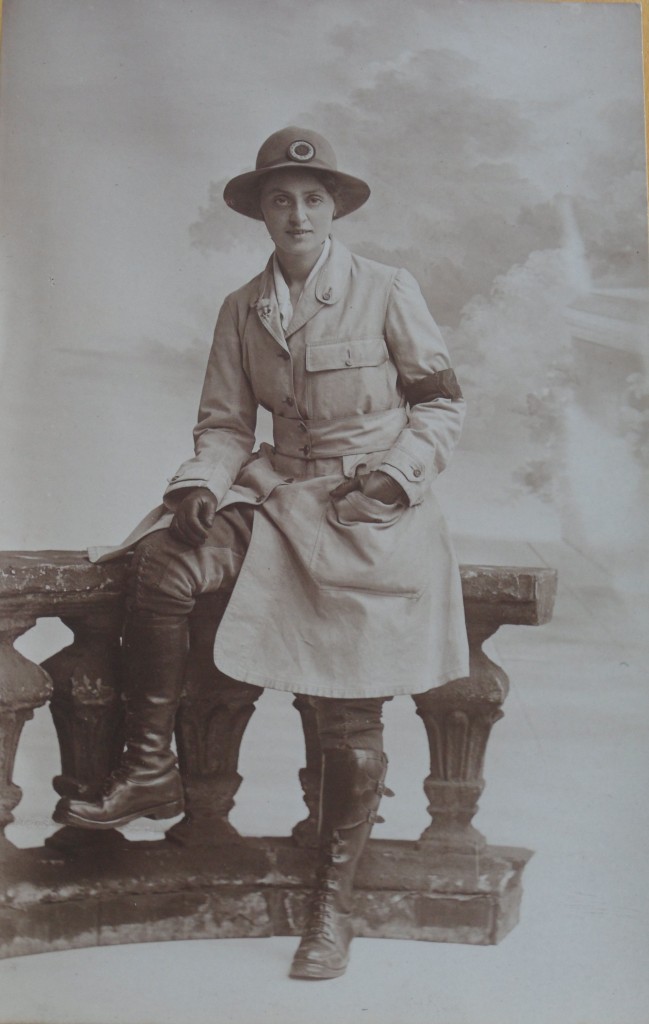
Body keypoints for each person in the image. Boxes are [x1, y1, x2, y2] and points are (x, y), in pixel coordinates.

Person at [54, 126, 469, 980]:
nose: (296, 212)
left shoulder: (386, 289)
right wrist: (199, 482)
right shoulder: (243, 309)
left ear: (334, 208)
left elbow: (440, 407)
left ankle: (331, 909)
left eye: (312, 198)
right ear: (261, 213)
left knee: (345, 716)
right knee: (167, 562)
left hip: (370, 515)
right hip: (279, 496)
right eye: (279, 199)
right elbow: (223, 425)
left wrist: (392, 479)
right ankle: (150, 768)